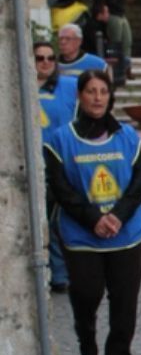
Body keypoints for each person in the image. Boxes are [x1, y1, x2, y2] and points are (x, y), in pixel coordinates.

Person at [43, 69, 141, 355]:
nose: (98, 98)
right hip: (82, 236)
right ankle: (84, 327)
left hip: (126, 233)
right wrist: (94, 219)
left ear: (110, 96)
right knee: (87, 293)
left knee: (124, 300)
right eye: (91, 91)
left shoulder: (128, 137)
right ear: (80, 96)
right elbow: (61, 190)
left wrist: (118, 215)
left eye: (103, 91)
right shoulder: (62, 140)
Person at [35, 39, 76, 292]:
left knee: (59, 220)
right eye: (40, 58)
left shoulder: (69, 86)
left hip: (62, 163)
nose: (47, 63)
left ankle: (61, 275)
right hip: (31, 166)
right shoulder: (19, 86)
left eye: (51, 58)